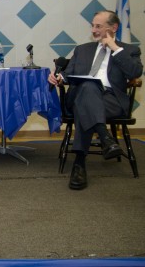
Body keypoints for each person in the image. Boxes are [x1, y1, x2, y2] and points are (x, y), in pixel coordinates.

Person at [48, 10, 143, 190]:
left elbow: (134, 73)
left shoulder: (129, 50)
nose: (93, 30)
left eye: (98, 26)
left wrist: (114, 48)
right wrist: (59, 78)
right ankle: (105, 137)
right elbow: (68, 75)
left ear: (113, 27)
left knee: (86, 104)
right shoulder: (82, 49)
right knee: (88, 87)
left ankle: (79, 163)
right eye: (92, 25)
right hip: (79, 96)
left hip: (111, 101)